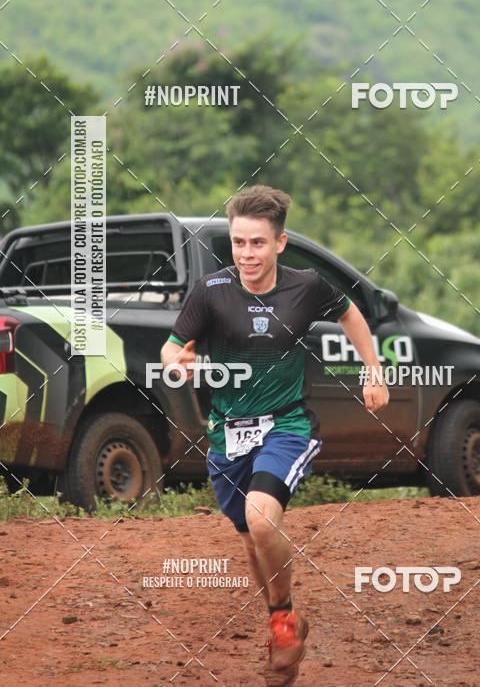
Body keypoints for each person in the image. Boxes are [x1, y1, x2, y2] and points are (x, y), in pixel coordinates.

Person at [160, 186, 389, 685]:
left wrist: (373, 371)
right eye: (239, 243)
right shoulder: (211, 290)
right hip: (227, 435)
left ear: (280, 243)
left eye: (258, 243)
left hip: (287, 424)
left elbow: (350, 312)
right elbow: (171, 348)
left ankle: (283, 622)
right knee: (251, 541)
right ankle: (282, 618)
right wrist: (179, 363)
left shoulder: (306, 286)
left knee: (261, 520)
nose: (246, 254)